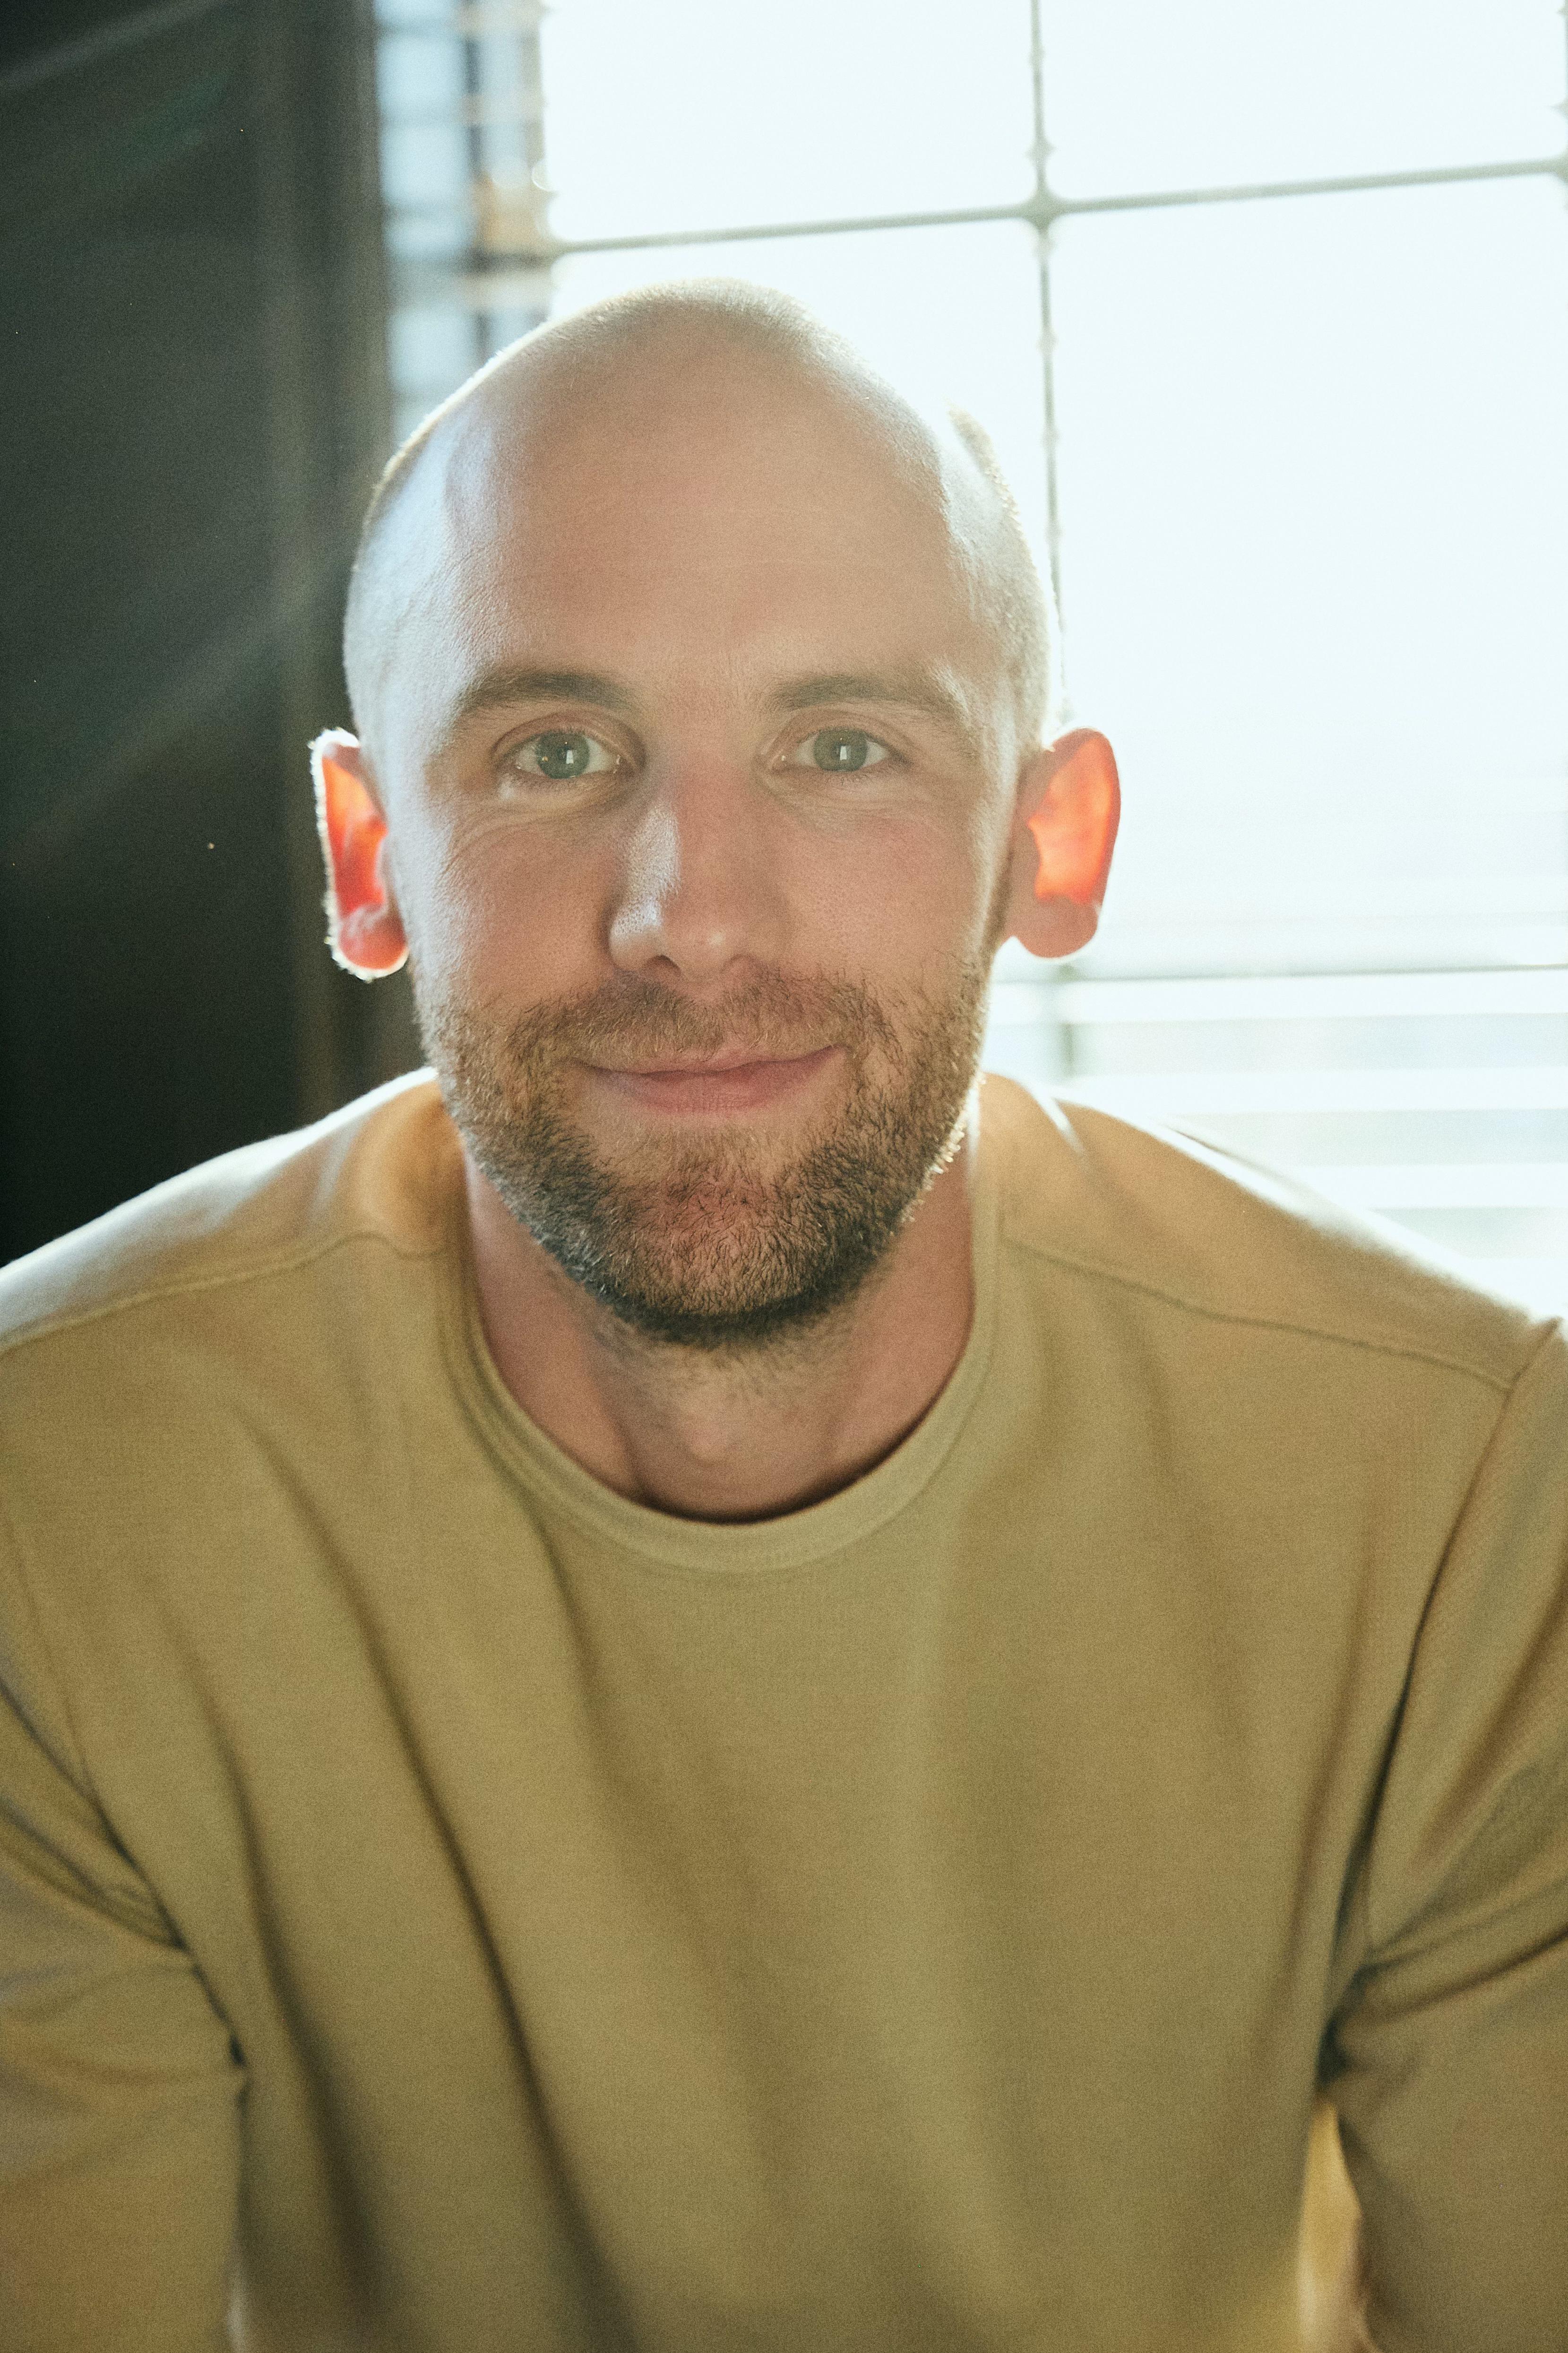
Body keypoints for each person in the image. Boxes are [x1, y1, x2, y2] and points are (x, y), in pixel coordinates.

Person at [0, 280, 1563, 2353]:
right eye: (554, 749)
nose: (693, 917)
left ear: (1048, 839)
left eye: (843, 747)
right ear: (370, 858)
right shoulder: (52, 1497)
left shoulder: (1462, 1492)